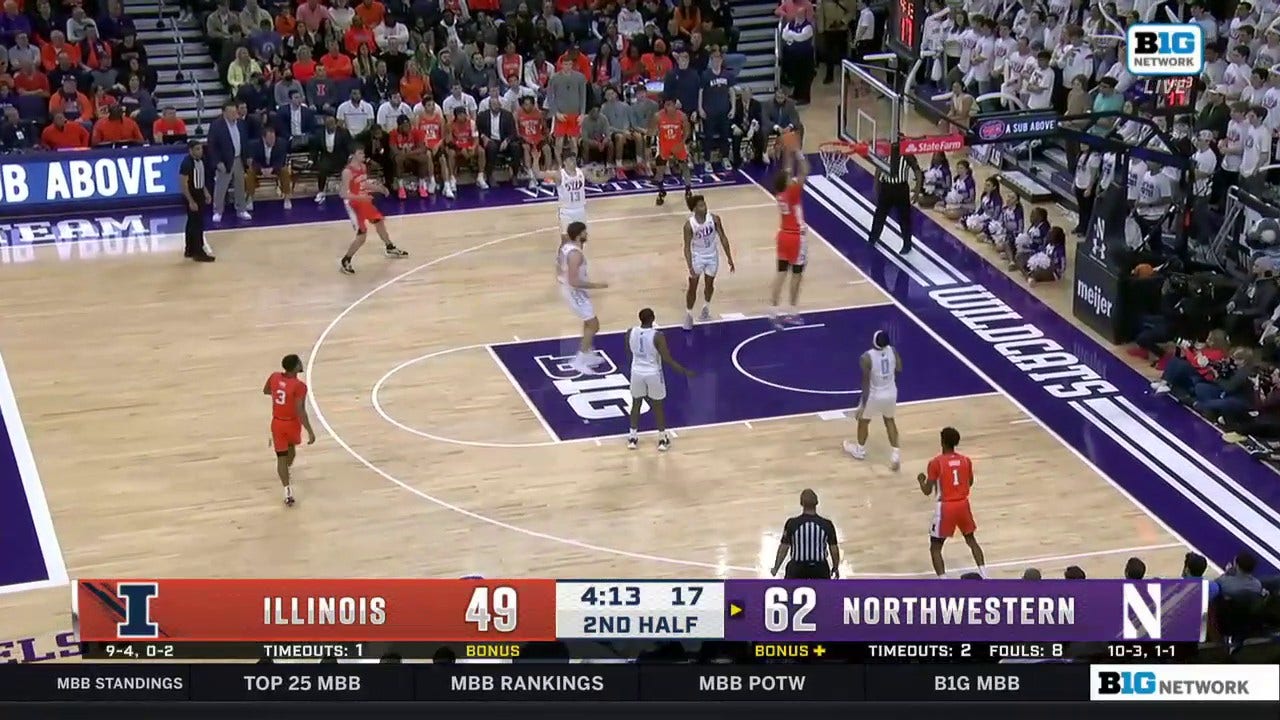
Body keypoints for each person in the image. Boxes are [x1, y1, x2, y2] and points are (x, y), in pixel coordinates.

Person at [917, 427, 986, 578]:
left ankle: (944, 582)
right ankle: (985, 575)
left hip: (946, 507)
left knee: (935, 547)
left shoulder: (936, 463)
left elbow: (927, 490)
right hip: (963, 504)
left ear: (942, 441)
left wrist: (921, 480)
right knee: (971, 540)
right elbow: (970, 482)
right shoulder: (965, 460)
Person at [625, 308, 694, 451]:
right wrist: (684, 371)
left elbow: (629, 351)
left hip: (636, 372)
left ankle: (632, 437)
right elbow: (667, 358)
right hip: (653, 373)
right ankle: (662, 439)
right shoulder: (658, 336)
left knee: (636, 404)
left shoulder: (630, 332)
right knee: (657, 406)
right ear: (652, 318)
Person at [339, 147, 408, 274]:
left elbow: (364, 185)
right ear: (353, 155)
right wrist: (360, 197)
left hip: (365, 202)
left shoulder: (363, 167)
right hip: (353, 204)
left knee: (379, 221)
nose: (363, 155)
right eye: (360, 153)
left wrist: (380, 188)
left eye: (363, 153)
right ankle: (346, 260)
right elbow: (343, 194)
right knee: (362, 236)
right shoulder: (347, 172)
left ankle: (390, 247)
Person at [556, 221, 609, 375]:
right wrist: (597, 285)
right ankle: (578, 360)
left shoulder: (566, 246)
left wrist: (560, 277)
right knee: (594, 325)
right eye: (585, 232)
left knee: (589, 322)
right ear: (579, 235)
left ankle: (587, 354)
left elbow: (559, 265)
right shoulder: (575, 255)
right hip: (575, 292)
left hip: (571, 289)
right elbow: (574, 281)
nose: (587, 234)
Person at [842, 330, 901, 469]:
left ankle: (860, 450)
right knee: (890, 421)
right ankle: (895, 454)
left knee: (863, 421)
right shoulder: (893, 350)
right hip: (891, 392)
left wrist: (862, 405)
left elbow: (866, 383)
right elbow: (899, 368)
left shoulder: (866, 357)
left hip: (874, 395)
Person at [262, 353, 315, 506]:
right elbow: (300, 410)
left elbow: (266, 391)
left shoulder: (274, 377)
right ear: (295, 367)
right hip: (291, 423)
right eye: (299, 362)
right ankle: (287, 489)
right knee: (287, 456)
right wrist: (310, 431)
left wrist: (280, 392)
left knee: (284, 456)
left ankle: (285, 482)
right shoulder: (299, 387)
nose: (301, 364)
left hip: (277, 423)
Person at [770, 135, 809, 328]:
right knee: (797, 275)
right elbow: (804, 172)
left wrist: (787, 150)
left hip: (783, 235)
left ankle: (773, 311)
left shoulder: (780, 193)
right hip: (796, 237)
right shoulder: (793, 192)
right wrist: (798, 152)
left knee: (780, 273)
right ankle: (793, 312)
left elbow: (786, 170)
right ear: (787, 183)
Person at [682, 194, 735, 330]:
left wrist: (729, 257)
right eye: (700, 205)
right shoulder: (689, 226)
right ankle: (688, 314)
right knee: (692, 286)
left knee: (709, 284)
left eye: (704, 204)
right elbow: (686, 247)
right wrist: (690, 266)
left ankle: (706, 307)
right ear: (694, 209)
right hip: (697, 257)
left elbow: (723, 237)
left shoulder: (715, 219)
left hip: (712, 256)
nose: (704, 207)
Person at [770, 488, 841, 579]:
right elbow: (834, 549)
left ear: (801, 503)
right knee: (823, 592)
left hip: (797, 568)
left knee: (791, 591)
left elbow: (783, 548)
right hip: (819, 568)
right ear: (817, 502)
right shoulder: (827, 524)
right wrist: (835, 567)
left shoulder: (792, 523)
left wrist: (776, 568)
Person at [867, 140, 915, 254]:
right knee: (879, 215)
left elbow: (917, 171)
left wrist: (917, 191)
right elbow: (878, 170)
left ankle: (907, 245)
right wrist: (876, 186)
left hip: (901, 188)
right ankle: (873, 239)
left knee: (904, 218)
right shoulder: (885, 154)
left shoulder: (907, 155)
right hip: (886, 187)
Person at [178, 140, 214, 262]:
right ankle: (199, 252)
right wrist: (191, 201)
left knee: (192, 223)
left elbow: (201, 179)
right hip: (192, 194)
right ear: (191, 150)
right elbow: (183, 184)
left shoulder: (201, 160)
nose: (200, 151)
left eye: (201, 149)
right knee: (197, 224)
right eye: (197, 149)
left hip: (199, 192)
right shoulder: (186, 163)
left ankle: (189, 249)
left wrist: (206, 192)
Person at [652, 97, 692, 206]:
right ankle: (661, 191)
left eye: (670, 104)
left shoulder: (682, 116)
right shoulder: (658, 116)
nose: (667, 107)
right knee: (660, 170)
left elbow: (687, 131)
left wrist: (682, 143)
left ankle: (688, 189)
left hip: (677, 143)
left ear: (675, 105)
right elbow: (652, 131)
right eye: (665, 104)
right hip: (664, 145)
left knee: (684, 166)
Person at [545, 153, 587, 240]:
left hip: (580, 209)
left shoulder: (582, 172)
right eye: (570, 159)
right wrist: (536, 160)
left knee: (580, 240)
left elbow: (597, 178)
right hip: (566, 211)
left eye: (574, 159)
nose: (573, 161)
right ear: (564, 162)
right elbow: (538, 174)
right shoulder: (559, 174)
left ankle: (578, 254)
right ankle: (562, 254)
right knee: (565, 240)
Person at [446, 106, 487, 190]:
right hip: (457, 147)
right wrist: (460, 149)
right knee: (451, 153)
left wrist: (473, 147)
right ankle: (452, 178)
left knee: (481, 151)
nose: (462, 116)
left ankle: (480, 177)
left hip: (469, 146)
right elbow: (449, 141)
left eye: (464, 114)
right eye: (460, 114)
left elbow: (476, 138)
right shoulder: (450, 124)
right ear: (456, 116)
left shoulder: (472, 123)